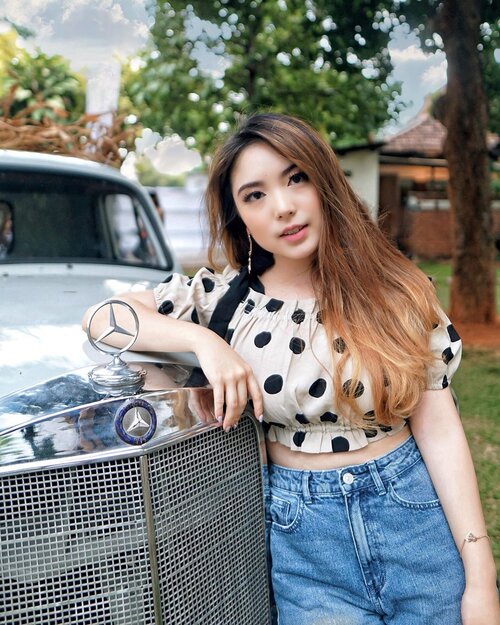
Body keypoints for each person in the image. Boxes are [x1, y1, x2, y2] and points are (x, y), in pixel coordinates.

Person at [83, 113, 499, 625]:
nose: (282, 207)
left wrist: (480, 579)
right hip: (305, 548)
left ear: (324, 182)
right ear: (239, 216)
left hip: (414, 521)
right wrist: (204, 343)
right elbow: (103, 320)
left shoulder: (396, 292)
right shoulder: (225, 301)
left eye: (295, 177)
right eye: (254, 195)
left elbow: (439, 429)